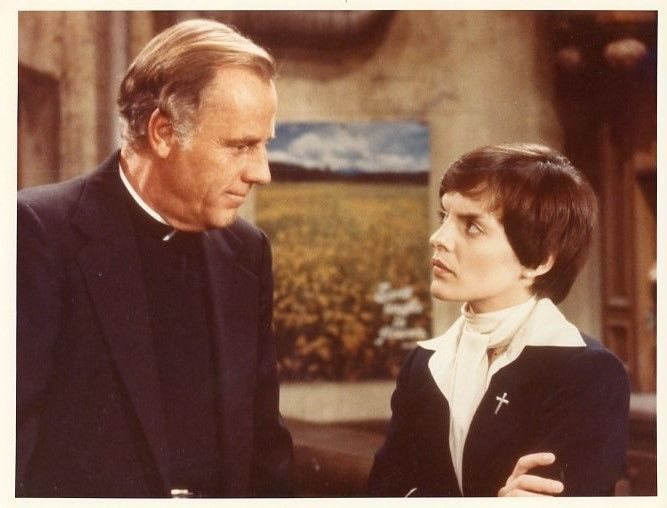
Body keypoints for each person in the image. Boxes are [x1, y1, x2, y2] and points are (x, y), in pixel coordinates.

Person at [17, 19, 293, 497]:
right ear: (163, 132)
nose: (261, 172)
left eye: (263, 144)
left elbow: (265, 452)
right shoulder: (37, 232)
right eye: (240, 146)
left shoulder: (248, 251)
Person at [368, 143, 630, 497]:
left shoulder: (588, 374)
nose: (438, 238)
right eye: (444, 216)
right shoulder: (424, 363)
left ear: (539, 260)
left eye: (472, 226)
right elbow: (383, 493)